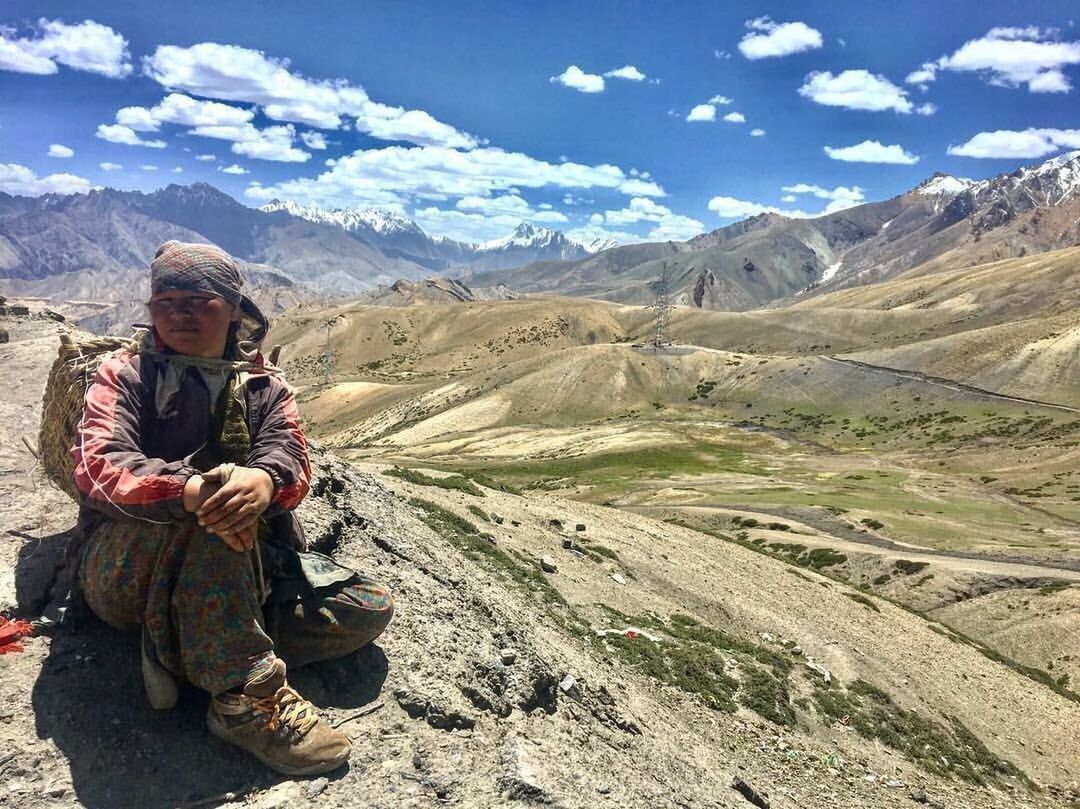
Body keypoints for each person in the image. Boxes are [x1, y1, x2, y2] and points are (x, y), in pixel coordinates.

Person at [70, 240, 393, 776]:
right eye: (165, 301)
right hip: (125, 567)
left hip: (249, 566)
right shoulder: (124, 377)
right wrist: (192, 492)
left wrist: (265, 482)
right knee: (212, 521)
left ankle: (183, 642)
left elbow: (291, 455)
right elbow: (100, 467)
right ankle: (244, 700)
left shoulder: (265, 387)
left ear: (235, 309)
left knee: (368, 606)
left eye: (197, 300)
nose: (179, 314)